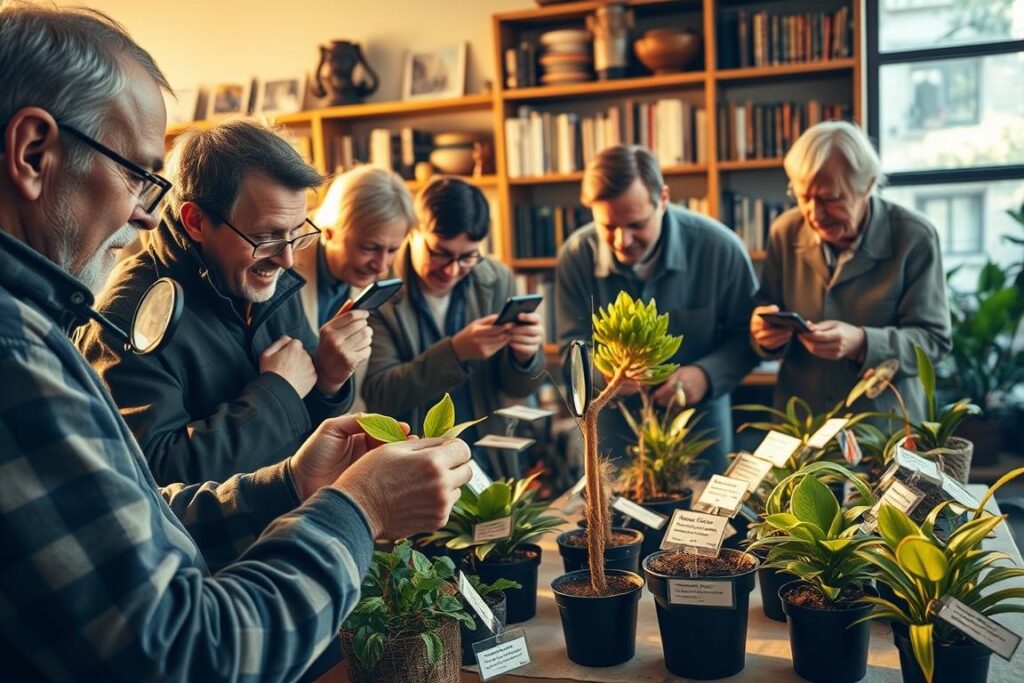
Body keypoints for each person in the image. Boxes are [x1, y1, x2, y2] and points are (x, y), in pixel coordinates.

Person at [0, 6, 470, 680]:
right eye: (136, 174)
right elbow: (186, 646)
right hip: (252, 607)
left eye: (294, 234)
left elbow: (132, 511)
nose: (142, 209)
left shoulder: (42, 324)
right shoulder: (35, 345)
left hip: (280, 591)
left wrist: (295, 477)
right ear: (33, 153)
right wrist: (359, 505)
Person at [75, 119, 372, 485]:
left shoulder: (268, 276)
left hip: (293, 520)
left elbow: (305, 418)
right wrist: (277, 391)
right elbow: (157, 477)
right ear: (196, 221)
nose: (287, 260)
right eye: (266, 237)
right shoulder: (124, 319)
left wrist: (329, 381)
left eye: (296, 234)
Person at [556, 145, 759, 475]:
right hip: (612, 436)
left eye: (636, 224)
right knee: (610, 523)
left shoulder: (720, 248)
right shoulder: (576, 256)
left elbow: (749, 338)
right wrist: (602, 371)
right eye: (608, 226)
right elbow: (571, 349)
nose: (622, 240)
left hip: (699, 431)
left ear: (663, 199)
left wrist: (706, 376)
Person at [750, 121, 951, 420]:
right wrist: (762, 333)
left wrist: (863, 342)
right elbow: (765, 310)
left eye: (830, 198)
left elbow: (934, 340)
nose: (814, 214)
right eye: (803, 197)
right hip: (802, 425)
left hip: (883, 429)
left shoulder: (915, 237)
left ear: (868, 186)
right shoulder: (784, 231)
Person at [362, 177, 545, 458]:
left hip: (488, 453)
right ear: (413, 232)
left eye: (468, 257)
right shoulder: (379, 291)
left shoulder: (497, 279)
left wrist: (525, 358)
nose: (452, 270)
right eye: (440, 254)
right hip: (411, 457)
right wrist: (456, 352)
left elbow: (520, 387)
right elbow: (381, 395)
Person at [293, 167, 415, 410]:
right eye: (369, 247)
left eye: (392, 250)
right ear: (330, 231)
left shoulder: (385, 279)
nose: (381, 266)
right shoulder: (284, 270)